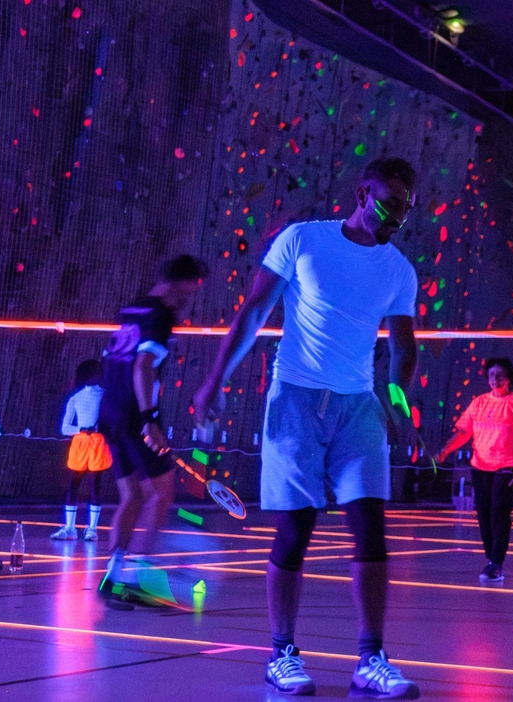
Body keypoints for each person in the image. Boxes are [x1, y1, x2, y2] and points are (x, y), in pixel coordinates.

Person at [193, 158, 422, 699]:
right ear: (363, 191)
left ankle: (371, 659)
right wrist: (214, 381)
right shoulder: (302, 240)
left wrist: (396, 401)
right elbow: (253, 312)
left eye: (405, 213)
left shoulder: (398, 270)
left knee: (371, 528)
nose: (395, 220)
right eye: (389, 205)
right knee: (296, 529)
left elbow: (403, 344)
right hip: (295, 400)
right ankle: (283, 654)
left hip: (359, 406)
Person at [97, 255, 207, 603]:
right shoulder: (161, 316)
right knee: (162, 494)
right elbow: (143, 364)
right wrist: (150, 419)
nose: (193, 295)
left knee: (131, 496)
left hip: (109, 410)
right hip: (134, 413)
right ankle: (140, 578)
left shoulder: (132, 309)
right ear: (181, 282)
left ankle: (114, 576)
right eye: (193, 287)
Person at [437, 357, 513, 582]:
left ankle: (496, 562)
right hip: (480, 466)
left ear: (509, 379)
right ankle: (491, 558)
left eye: (500, 375)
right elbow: (464, 433)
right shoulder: (478, 403)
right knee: (483, 514)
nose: (495, 379)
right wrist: (445, 450)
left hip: (507, 466)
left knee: (498, 512)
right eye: (491, 375)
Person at [51, 360, 110, 541]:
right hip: (80, 444)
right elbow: (65, 428)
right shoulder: (75, 398)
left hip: (99, 444)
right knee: (73, 486)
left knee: (95, 487)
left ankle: (92, 528)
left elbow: (111, 421)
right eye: (92, 374)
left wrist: (100, 429)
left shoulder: (105, 397)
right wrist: (82, 429)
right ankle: (70, 528)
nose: (95, 377)